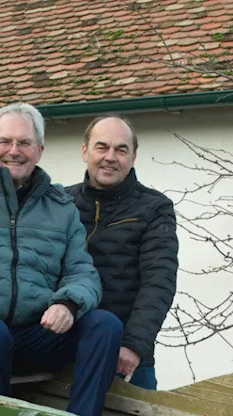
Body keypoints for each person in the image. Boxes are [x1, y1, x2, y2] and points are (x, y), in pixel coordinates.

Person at [0, 103, 122, 416]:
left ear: (39, 150)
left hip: (38, 335)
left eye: (24, 143)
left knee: (106, 324)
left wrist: (68, 304)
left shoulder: (62, 208)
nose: (14, 151)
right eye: (6, 142)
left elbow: (84, 274)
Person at [66, 115, 178, 391]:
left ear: (134, 156)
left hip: (124, 357)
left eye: (121, 149)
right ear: (85, 152)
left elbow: (158, 282)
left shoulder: (155, 208)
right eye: (101, 147)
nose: (110, 157)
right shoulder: (61, 203)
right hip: (63, 350)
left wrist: (134, 345)